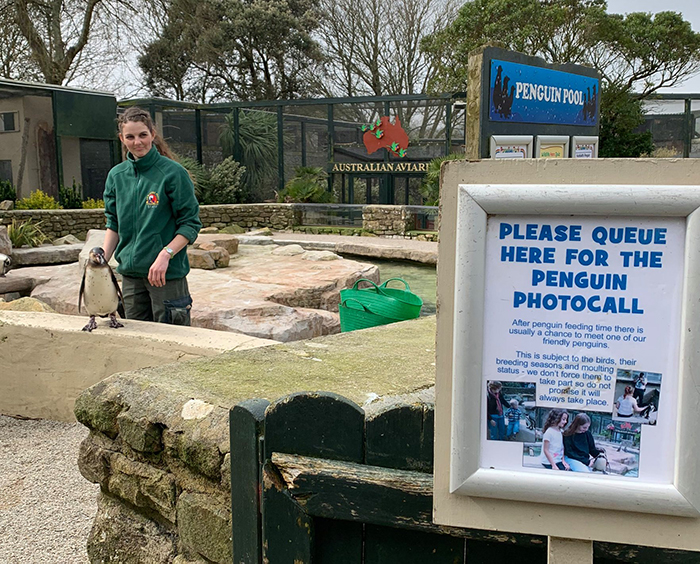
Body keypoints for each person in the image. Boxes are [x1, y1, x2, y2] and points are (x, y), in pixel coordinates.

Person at [102, 107, 202, 325]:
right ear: (122, 138)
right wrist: (101, 261)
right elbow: (113, 224)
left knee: (174, 343)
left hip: (166, 276)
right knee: (136, 343)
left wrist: (165, 254)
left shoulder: (173, 173)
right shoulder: (116, 176)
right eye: (130, 137)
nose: (137, 142)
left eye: (142, 135)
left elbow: (190, 224)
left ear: (152, 135)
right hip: (131, 277)